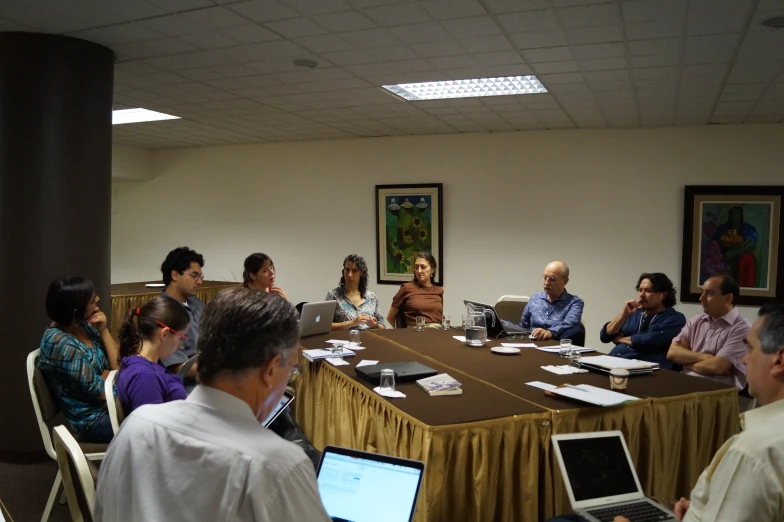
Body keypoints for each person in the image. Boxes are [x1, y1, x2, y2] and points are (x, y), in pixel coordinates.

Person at [94, 288, 332, 522]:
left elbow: (103, 511)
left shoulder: (134, 428)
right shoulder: (279, 465)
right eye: (291, 369)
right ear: (270, 370)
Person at [549, 303, 784, 522]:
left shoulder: (753, 453)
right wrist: (702, 507)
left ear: (779, 360)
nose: (744, 358)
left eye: (751, 348)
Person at [37, 276, 119, 443]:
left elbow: (118, 366)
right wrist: (133, 385)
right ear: (76, 311)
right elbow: (101, 392)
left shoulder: (84, 326)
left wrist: (103, 331)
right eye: (91, 300)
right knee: (155, 422)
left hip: (110, 405)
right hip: (94, 420)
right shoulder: (60, 343)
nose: (98, 299)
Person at [667, 276, 751, 389]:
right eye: (702, 293)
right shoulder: (696, 321)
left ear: (728, 298)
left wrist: (685, 360)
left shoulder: (743, 329)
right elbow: (672, 353)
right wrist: (706, 357)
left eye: (709, 293)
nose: (701, 298)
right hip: (685, 384)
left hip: (717, 393)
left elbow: (716, 367)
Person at [115, 296, 190, 415]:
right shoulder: (143, 377)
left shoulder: (150, 364)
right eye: (181, 338)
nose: (181, 346)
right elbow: (150, 430)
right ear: (164, 334)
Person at [600, 273, 686, 368]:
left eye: (648, 291)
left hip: (647, 371)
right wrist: (624, 314)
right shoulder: (634, 313)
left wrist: (618, 339)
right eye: (640, 290)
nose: (642, 295)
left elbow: (646, 340)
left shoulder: (674, 318)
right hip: (615, 362)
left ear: (663, 295)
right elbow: (605, 336)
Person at [159, 246, 204, 383]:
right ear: (175, 275)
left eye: (200, 277)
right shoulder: (163, 312)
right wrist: (218, 374)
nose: (200, 282)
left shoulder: (195, 303)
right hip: (188, 384)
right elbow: (178, 367)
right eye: (194, 276)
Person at [509, 261, 584, 342]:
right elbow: (524, 326)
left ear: (565, 281)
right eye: (545, 277)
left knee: (575, 331)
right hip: (531, 342)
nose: (546, 282)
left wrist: (550, 332)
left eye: (552, 279)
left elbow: (569, 325)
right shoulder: (535, 298)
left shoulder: (574, 303)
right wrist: (502, 324)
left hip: (555, 343)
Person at [326, 254, 386, 330]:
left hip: (368, 340)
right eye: (347, 270)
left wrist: (374, 325)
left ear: (361, 274)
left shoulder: (372, 298)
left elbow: (383, 327)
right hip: (343, 340)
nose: (349, 275)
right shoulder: (333, 295)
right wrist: (351, 323)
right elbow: (325, 326)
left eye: (355, 271)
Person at [386, 252, 443, 328]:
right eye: (416, 267)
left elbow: (439, 318)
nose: (419, 271)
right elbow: (390, 317)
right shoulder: (407, 288)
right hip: (415, 334)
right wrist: (400, 335)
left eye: (423, 267)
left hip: (437, 333)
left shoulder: (439, 291)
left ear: (432, 269)